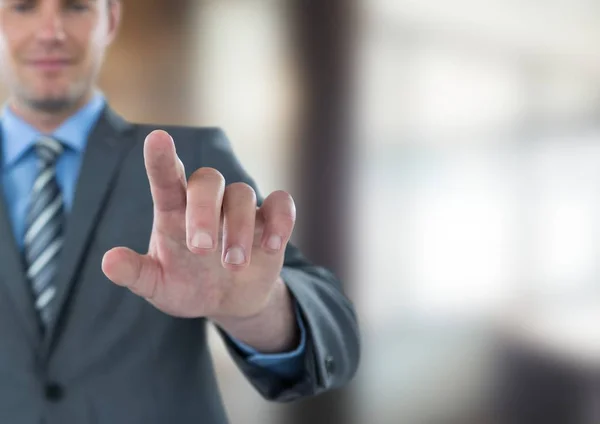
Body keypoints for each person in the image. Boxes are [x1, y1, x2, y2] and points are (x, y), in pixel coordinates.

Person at [0, 0, 360, 423]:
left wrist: (260, 311)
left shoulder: (189, 160)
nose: (50, 32)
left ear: (110, 20)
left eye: (76, 7)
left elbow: (336, 334)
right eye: (23, 7)